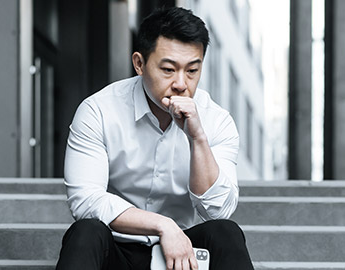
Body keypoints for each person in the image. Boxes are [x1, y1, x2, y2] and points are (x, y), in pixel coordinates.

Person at [56, 6, 254, 270]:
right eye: (169, 70)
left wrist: (197, 138)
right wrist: (163, 225)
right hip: (115, 251)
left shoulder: (216, 120)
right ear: (139, 64)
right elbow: (86, 201)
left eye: (192, 71)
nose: (181, 84)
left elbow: (218, 210)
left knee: (226, 233)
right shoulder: (99, 111)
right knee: (85, 232)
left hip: (182, 256)